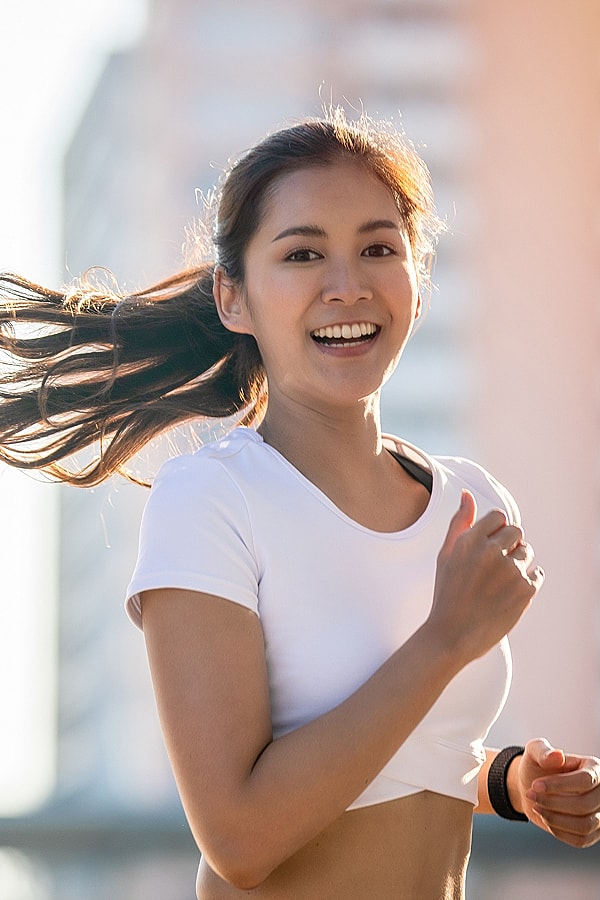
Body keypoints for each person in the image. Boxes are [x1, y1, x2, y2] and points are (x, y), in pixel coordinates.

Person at [0, 110, 598, 899]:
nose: (346, 285)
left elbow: (408, 755)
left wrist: (510, 783)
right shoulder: (212, 499)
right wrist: (446, 638)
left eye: (379, 248)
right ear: (233, 297)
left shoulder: (470, 499)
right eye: (303, 253)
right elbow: (241, 836)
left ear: (418, 280)